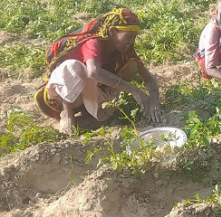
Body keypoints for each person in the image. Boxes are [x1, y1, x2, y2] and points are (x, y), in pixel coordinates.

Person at [34, 8, 162, 135]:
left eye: (134, 37)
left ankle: (89, 116)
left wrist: (155, 102)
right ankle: (67, 114)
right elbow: (94, 72)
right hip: (59, 99)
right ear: (112, 31)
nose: (131, 42)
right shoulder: (93, 42)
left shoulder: (125, 50)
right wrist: (135, 90)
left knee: (132, 65)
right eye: (128, 37)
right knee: (73, 66)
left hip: (86, 96)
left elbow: (149, 78)